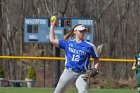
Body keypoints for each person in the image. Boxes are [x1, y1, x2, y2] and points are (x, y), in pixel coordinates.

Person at [49, 21, 100, 93]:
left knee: (83, 91)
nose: (82, 33)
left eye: (84, 31)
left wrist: (95, 69)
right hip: (68, 72)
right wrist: (52, 26)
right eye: (80, 31)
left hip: (82, 73)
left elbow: (96, 58)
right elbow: (52, 40)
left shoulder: (89, 46)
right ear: (75, 32)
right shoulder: (68, 43)